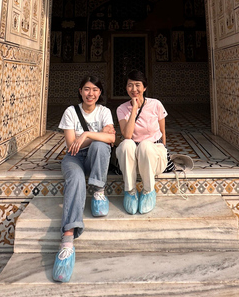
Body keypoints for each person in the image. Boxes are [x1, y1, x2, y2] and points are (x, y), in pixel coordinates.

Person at [53, 74, 116, 283]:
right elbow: (72, 145)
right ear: (80, 91)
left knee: (101, 146)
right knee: (77, 180)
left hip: (93, 156)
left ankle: (98, 191)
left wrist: (87, 135)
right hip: (74, 159)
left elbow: (112, 139)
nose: (91, 93)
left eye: (95, 90)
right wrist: (97, 134)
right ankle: (68, 241)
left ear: (100, 93)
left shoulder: (105, 111)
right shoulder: (71, 111)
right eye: (87, 89)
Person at [116, 69, 168, 215]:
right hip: (133, 161)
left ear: (144, 87)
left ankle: (148, 190)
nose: (134, 89)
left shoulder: (156, 104)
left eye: (137, 85)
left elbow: (163, 132)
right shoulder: (122, 109)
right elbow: (127, 135)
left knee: (145, 145)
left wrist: (163, 150)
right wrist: (134, 110)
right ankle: (130, 191)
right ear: (126, 88)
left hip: (153, 156)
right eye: (130, 85)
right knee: (126, 144)